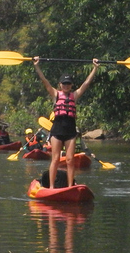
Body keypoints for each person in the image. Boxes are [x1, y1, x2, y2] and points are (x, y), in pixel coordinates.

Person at [34, 56, 99, 189]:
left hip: (70, 130)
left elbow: (86, 83)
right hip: (57, 129)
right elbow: (44, 81)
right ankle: (51, 187)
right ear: (60, 84)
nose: (66, 85)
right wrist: (37, 66)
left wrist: (95, 68)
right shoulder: (56, 94)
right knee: (56, 159)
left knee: (70, 160)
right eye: (64, 83)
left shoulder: (74, 95)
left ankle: (70, 187)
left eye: (68, 83)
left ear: (71, 85)